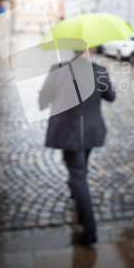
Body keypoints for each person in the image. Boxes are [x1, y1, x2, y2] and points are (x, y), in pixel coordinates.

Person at [38, 48, 115, 244]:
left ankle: (89, 230)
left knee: (78, 175)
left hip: (69, 132)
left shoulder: (58, 69)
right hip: (91, 131)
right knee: (80, 170)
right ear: (89, 49)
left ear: (73, 49)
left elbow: (42, 100)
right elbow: (111, 97)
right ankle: (75, 189)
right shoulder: (100, 70)